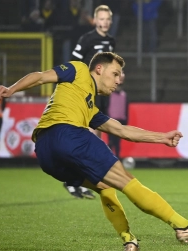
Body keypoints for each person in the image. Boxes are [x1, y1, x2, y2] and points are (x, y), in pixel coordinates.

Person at [0, 52, 188, 251]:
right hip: (68, 134)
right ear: (99, 68)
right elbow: (40, 76)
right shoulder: (78, 70)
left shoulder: (89, 107)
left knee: (104, 186)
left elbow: (121, 130)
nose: (118, 80)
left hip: (46, 153)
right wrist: (12, 89)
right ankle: (183, 226)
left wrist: (162, 137)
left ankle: (129, 241)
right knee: (127, 181)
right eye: (115, 73)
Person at [68, 4, 116, 199]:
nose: (104, 22)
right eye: (101, 19)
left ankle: (81, 179)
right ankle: (74, 179)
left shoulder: (111, 41)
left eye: (107, 19)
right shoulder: (87, 39)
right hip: (87, 92)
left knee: (96, 136)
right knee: (88, 135)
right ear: (95, 20)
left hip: (102, 93)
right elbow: (74, 62)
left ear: (110, 22)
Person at [107, 71, 128, 159]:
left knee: (117, 142)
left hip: (120, 120)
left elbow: (125, 109)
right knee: (111, 141)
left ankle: (117, 158)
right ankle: (109, 158)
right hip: (111, 120)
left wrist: (125, 121)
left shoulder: (124, 95)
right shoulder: (110, 94)